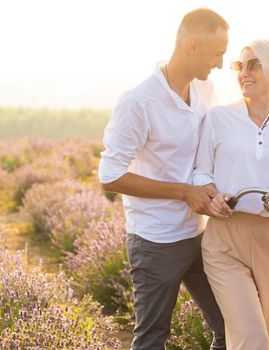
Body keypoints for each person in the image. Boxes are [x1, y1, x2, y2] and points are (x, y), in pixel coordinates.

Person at [97, 8, 228, 350]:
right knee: (152, 339)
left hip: (200, 235)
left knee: (232, 327)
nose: (220, 63)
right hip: (155, 241)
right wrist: (183, 192)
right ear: (192, 45)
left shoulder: (206, 90)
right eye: (217, 53)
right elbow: (109, 176)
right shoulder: (139, 102)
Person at [193, 39, 269, 350]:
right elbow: (201, 172)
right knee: (251, 339)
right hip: (225, 240)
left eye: (254, 65)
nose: (244, 73)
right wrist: (213, 196)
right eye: (240, 66)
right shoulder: (218, 119)